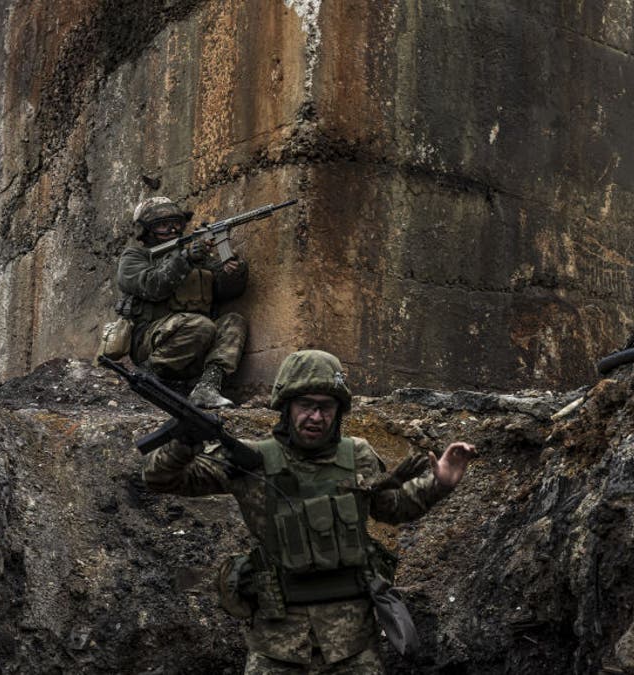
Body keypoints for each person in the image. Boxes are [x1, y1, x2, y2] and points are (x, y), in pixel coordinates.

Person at [142, 349, 478, 673]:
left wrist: (440, 483)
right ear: (286, 407)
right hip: (277, 645)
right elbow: (162, 479)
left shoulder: (357, 455)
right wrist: (184, 442)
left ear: (338, 411)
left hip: (353, 646)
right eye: (306, 405)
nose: (316, 417)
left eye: (326, 407)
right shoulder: (250, 461)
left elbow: (391, 508)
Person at [116, 196, 248, 408]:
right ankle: (149, 375)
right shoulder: (135, 257)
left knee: (234, 321)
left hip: (197, 340)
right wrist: (185, 258)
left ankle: (207, 387)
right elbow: (152, 286)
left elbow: (227, 290)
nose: (171, 229)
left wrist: (234, 269)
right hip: (152, 341)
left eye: (176, 223)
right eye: (162, 225)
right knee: (201, 325)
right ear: (146, 231)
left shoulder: (197, 255)